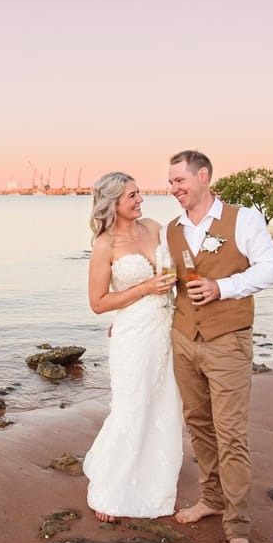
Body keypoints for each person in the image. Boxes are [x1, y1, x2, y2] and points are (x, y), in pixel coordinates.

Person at [162, 150, 273, 543]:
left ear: (203, 176)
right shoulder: (173, 229)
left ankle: (237, 529)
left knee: (231, 436)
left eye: (179, 180)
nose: (173, 188)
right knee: (198, 424)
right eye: (171, 182)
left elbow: (272, 267)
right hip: (184, 339)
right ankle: (211, 499)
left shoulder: (242, 218)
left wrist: (223, 287)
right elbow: (175, 284)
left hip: (228, 340)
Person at [83, 171, 185, 523]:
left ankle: (155, 480)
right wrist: (144, 290)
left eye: (139, 193)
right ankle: (111, 488)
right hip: (132, 334)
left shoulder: (155, 228)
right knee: (131, 403)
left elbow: (175, 273)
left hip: (165, 328)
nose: (141, 199)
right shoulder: (104, 244)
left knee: (163, 402)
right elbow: (98, 302)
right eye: (132, 195)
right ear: (113, 203)